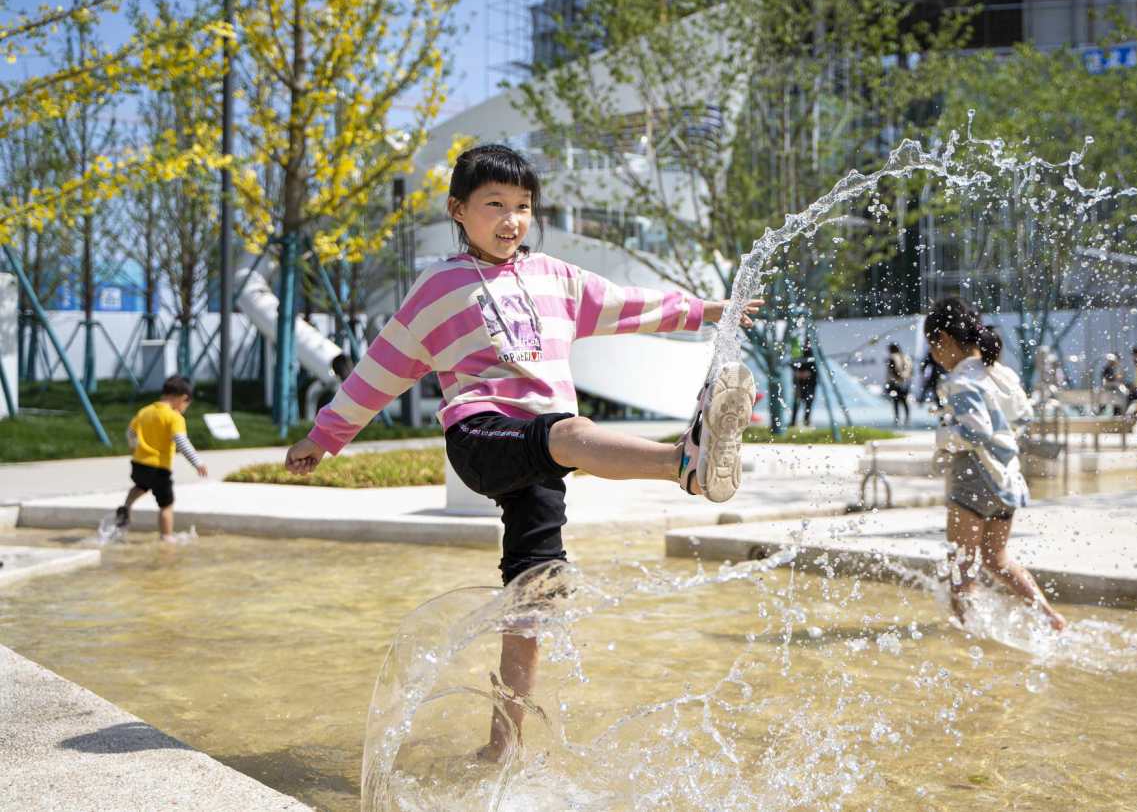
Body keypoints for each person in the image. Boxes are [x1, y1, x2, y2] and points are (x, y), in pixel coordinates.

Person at [283, 144, 761, 762]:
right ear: (459, 210)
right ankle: (685, 463)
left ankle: (500, 749)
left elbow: (626, 305)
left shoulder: (554, 277)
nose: (511, 220)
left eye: (523, 207)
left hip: (543, 456)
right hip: (481, 435)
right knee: (567, 432)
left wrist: (706, 312)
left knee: (534, 601)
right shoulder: (439, 287)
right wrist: (324, 437)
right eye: (495, 206)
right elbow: (379, 370)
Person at [925, 297, 1066, 632]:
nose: (934, 357)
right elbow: (1024, 417)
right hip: (1007, 480)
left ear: (944, 340)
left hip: (974, 478)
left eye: (933, 348)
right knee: (997, 559)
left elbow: (976, 431)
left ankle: (966, 632)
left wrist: (944, 436)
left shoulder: (962, 381)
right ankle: (1049, 615)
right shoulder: (1002, 374)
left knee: (962, 563)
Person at [114, 375, 208, 541]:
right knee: (166, 505)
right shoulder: (174, 417)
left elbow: (130, 432)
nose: (185, 409)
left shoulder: (144, 411)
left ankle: (127, 506)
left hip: (139, 463)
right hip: (159, 468)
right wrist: (197, 462)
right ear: (183, 398)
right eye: (187, 405)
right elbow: (181, 442)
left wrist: (134, 447)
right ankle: (167, 538)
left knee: (140, 486)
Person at [790, 339, 818, 428]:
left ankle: (806, 421)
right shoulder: (798, 352)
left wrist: (807, 374)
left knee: (808, 403)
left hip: (810, 384)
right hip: (800, 383)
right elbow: (793, 366)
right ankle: (794, 422)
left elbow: (815, 370)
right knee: (797, 403)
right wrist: (798, 374)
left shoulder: (813, 354)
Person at [885, 342, 912, 426]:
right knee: (904, 401)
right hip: (905, 382)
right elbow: (911, 370)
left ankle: (897, 419)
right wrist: (905, 379)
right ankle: (907, 419)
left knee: (896, 402)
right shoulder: (906, 357)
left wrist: (897, 379)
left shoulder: (892, 358)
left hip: (895, 383)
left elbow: (892, 371)